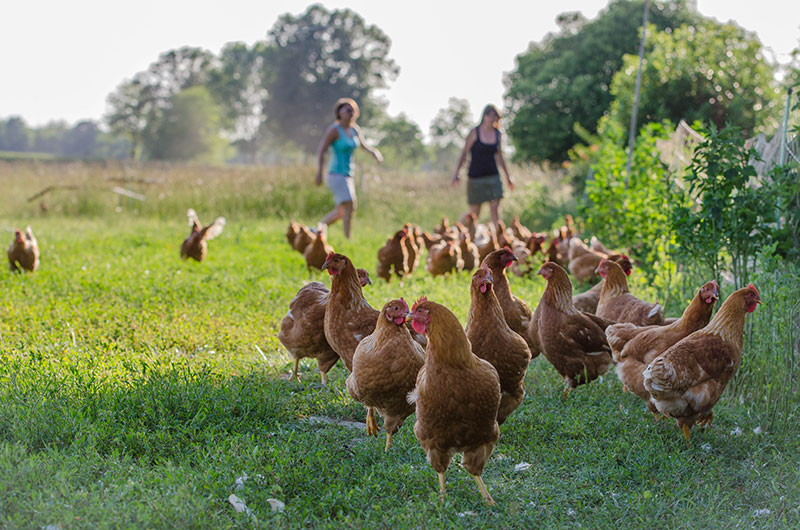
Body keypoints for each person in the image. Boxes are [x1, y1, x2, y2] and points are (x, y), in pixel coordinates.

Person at [315, 98, 383, 239]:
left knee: (342, 211)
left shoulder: (354, 129)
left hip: (348, 174)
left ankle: (316, 230)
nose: (350, 113)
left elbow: (363, 146)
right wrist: (319, 172)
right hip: (335, 173)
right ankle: (347, 238)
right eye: (347, 110)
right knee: (350, 205)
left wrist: (374, 153)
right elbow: (322, 150)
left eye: (352, 110)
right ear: (339, 113)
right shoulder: (334, 130)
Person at [450, 104, 514, 227]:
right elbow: (464, 153)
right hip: (476, 177)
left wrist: (508, 176)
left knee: (495, 207)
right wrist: (456, 173)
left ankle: (497, 238)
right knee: (474, 213)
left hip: (493, 176)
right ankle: (456, 229)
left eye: (494, 115)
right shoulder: (475, 132)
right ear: (484, 116)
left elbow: (500, 156)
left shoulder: (498, 133)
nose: (491, 118)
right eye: (489, 115)